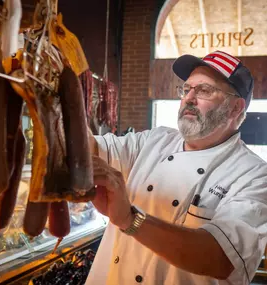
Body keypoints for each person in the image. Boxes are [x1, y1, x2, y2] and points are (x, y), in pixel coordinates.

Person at [85, 50, 267, 285]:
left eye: (204, 90)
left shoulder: (254, 175)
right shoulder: (154, 141)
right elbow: (88, 150)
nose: (189, 98)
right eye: (187, 89)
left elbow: (220, 258)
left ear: (235, 108)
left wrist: (130, 220)